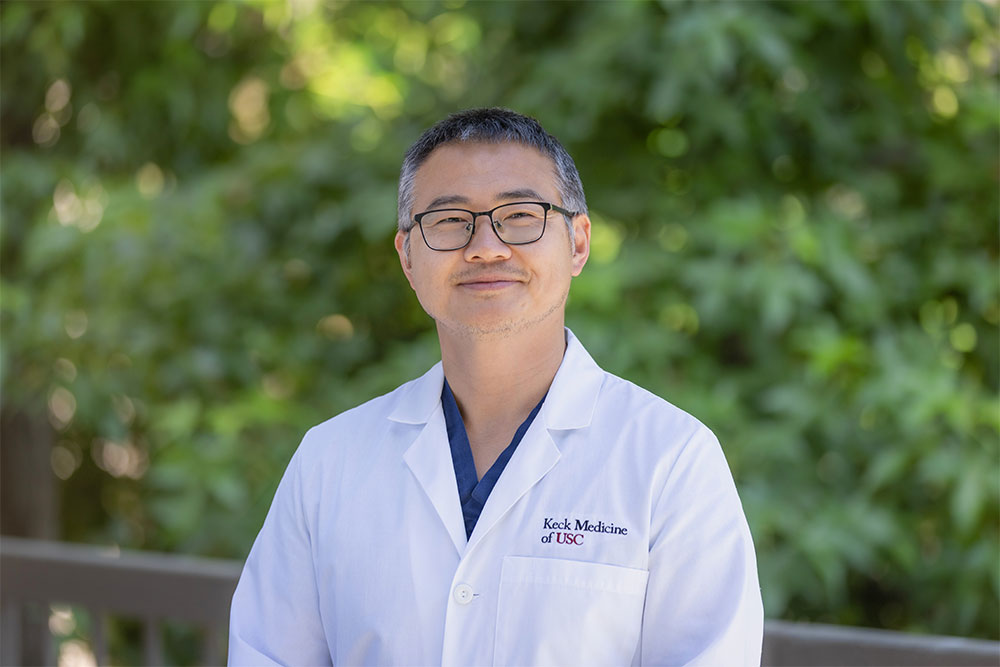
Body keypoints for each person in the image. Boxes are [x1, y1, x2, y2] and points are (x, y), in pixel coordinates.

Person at [228, 108, 763, 666]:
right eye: (450, 221)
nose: (486, 245)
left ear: (578, 242)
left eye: (521, 215)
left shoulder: (670, 460)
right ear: (408, 256)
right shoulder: (328, 460)